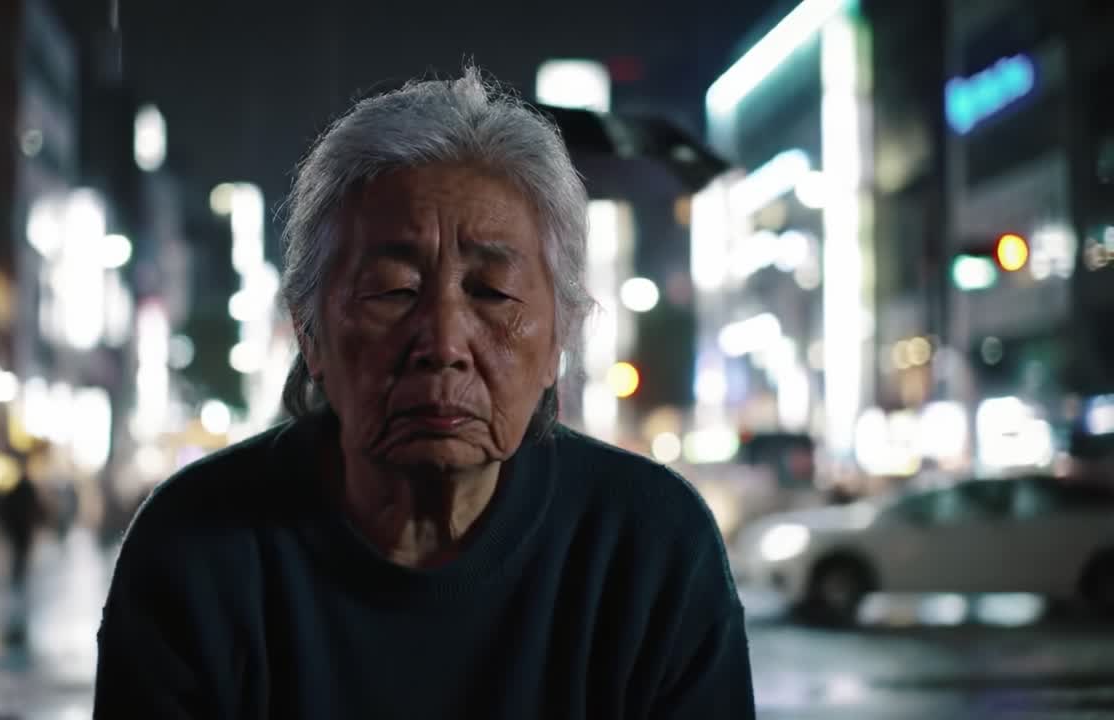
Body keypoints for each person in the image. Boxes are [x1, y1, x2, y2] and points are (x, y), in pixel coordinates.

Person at [96, 67, 754, 719]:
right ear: (309, 333)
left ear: (561, 334)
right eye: (393, 291)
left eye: (492, 293)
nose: (443, 341)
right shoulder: (196, 550)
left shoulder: (649, 549)